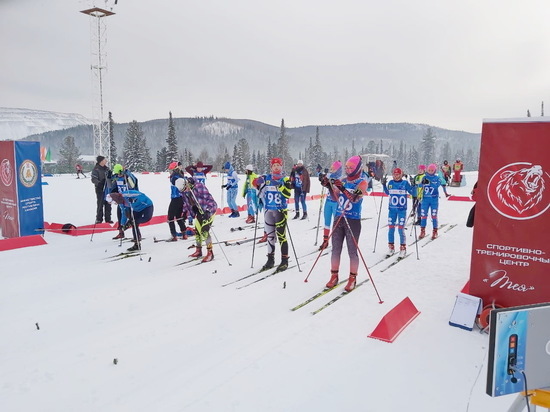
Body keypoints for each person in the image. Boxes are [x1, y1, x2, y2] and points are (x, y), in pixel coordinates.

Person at [320, 155, 368, 292]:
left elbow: (355, 199)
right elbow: (335, 197)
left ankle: (352, 278)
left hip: (352, 219)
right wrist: (328, 185)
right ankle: (334, 276)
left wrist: (342, 189)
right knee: (335, 249)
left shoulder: (362, 182)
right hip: (339, 218)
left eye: (351, 167)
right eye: (346, 167)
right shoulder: (342, 180)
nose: (348, 170)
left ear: (357, 168)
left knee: (352, 251)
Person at [253, 157, 292, 271]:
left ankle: (284, 260)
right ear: (271, 167)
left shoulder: (285, 179)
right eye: (274, 165)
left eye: (278, 165)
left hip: (280, 211)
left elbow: (288, 194)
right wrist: (256, 182)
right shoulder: (267, 178)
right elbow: (255, 183)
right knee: (270, 236)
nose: (276, 167)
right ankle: (270, 259)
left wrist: (280, 186)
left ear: (281, 166)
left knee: (281, 236)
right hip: (268, 211)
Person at [175, 177, 218, 263]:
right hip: (199, 211)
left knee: (204, 231)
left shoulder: (199, 186)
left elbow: (209, 199)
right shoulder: (185, 192)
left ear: (187, 183)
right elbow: (186, 203)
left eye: (185, 188)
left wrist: (208, 211)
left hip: (209, 210)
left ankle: (210, 253)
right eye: (183, 190)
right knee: (197, 231)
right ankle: (199, 250)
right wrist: (184, 213)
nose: (185, 190)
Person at [382, 168, 415, 258]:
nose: (396, 176)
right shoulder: (391, 183)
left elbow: (413, 193)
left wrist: (413, 185)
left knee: (400, 229)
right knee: (391, 229)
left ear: (401, 175)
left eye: (398, 175)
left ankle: (403, 248)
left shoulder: (404, 183)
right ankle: (391, 247)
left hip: (401, 210)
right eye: (395, 175)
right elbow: (387, 193)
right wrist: (384, 184)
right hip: (392, 210)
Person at [419, 163, 450, 240]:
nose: (430, 171)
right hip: (425, 199)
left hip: (434, 200)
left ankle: (435, 231)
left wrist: (429, 182)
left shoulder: (437, 178)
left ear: (434, 170)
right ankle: (422, 231)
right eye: (429, 170)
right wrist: (421, 184)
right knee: (423, 216)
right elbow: (420, 186)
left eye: (432, 170)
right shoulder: (424, 177)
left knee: (434, 216)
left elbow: (436, 186)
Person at [110, 164, 139, 239]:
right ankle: (121, 231)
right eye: (117, 174)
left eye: (119, 173)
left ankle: (137, 234)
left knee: (131, 216)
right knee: (121, 214)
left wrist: (127, 175)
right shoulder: (116, 177)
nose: (118, 175)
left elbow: (133, 185)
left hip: (129, 198)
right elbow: (112, 184)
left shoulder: (127, 176)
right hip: (121, 198)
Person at [318, 160, 342, 250]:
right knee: (327, 222)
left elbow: (338, 189)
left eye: (334, 169)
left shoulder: (341, 178)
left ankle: (337, 241)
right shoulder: (329, 176)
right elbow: (324, 183)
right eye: (331, 168)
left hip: (336, 202)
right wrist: (322, 179)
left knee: (336, 223)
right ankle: (325, 241)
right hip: (328, 202)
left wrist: (330, 183)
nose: (332, 170)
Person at [166, 161, 188, 241]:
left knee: (170, 217)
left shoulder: (174, 177)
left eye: (170, 170)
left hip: (175, 199)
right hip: (181, 199)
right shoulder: (181, 175)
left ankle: (174, 235)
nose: (170, 172)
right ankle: (184, 233)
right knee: (179, 217)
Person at [90, 155, 112, 224]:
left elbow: (110, 178)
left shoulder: (107, 169)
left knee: (108, 203)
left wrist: (110, 176)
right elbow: (93, 179)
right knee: (100, 203)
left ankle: (108, 218)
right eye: (104, 160)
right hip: (100, 188)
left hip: (107, 188)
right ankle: (99, 219)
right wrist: (99, 183)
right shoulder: (96, 169)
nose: (106, 161)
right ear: (101, 161)